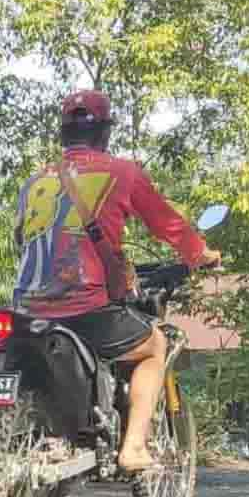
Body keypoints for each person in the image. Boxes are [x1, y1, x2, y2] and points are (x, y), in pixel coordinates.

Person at [12, 90, 222, 473]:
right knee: (154, 346)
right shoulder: (123, 173)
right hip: (84, 306)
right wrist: (202, 255)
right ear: (105, 132)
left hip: (26, 307)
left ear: (64, 134)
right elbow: (169, 226)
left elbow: (20, 239)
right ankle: (134, 448)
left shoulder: (34, 182)